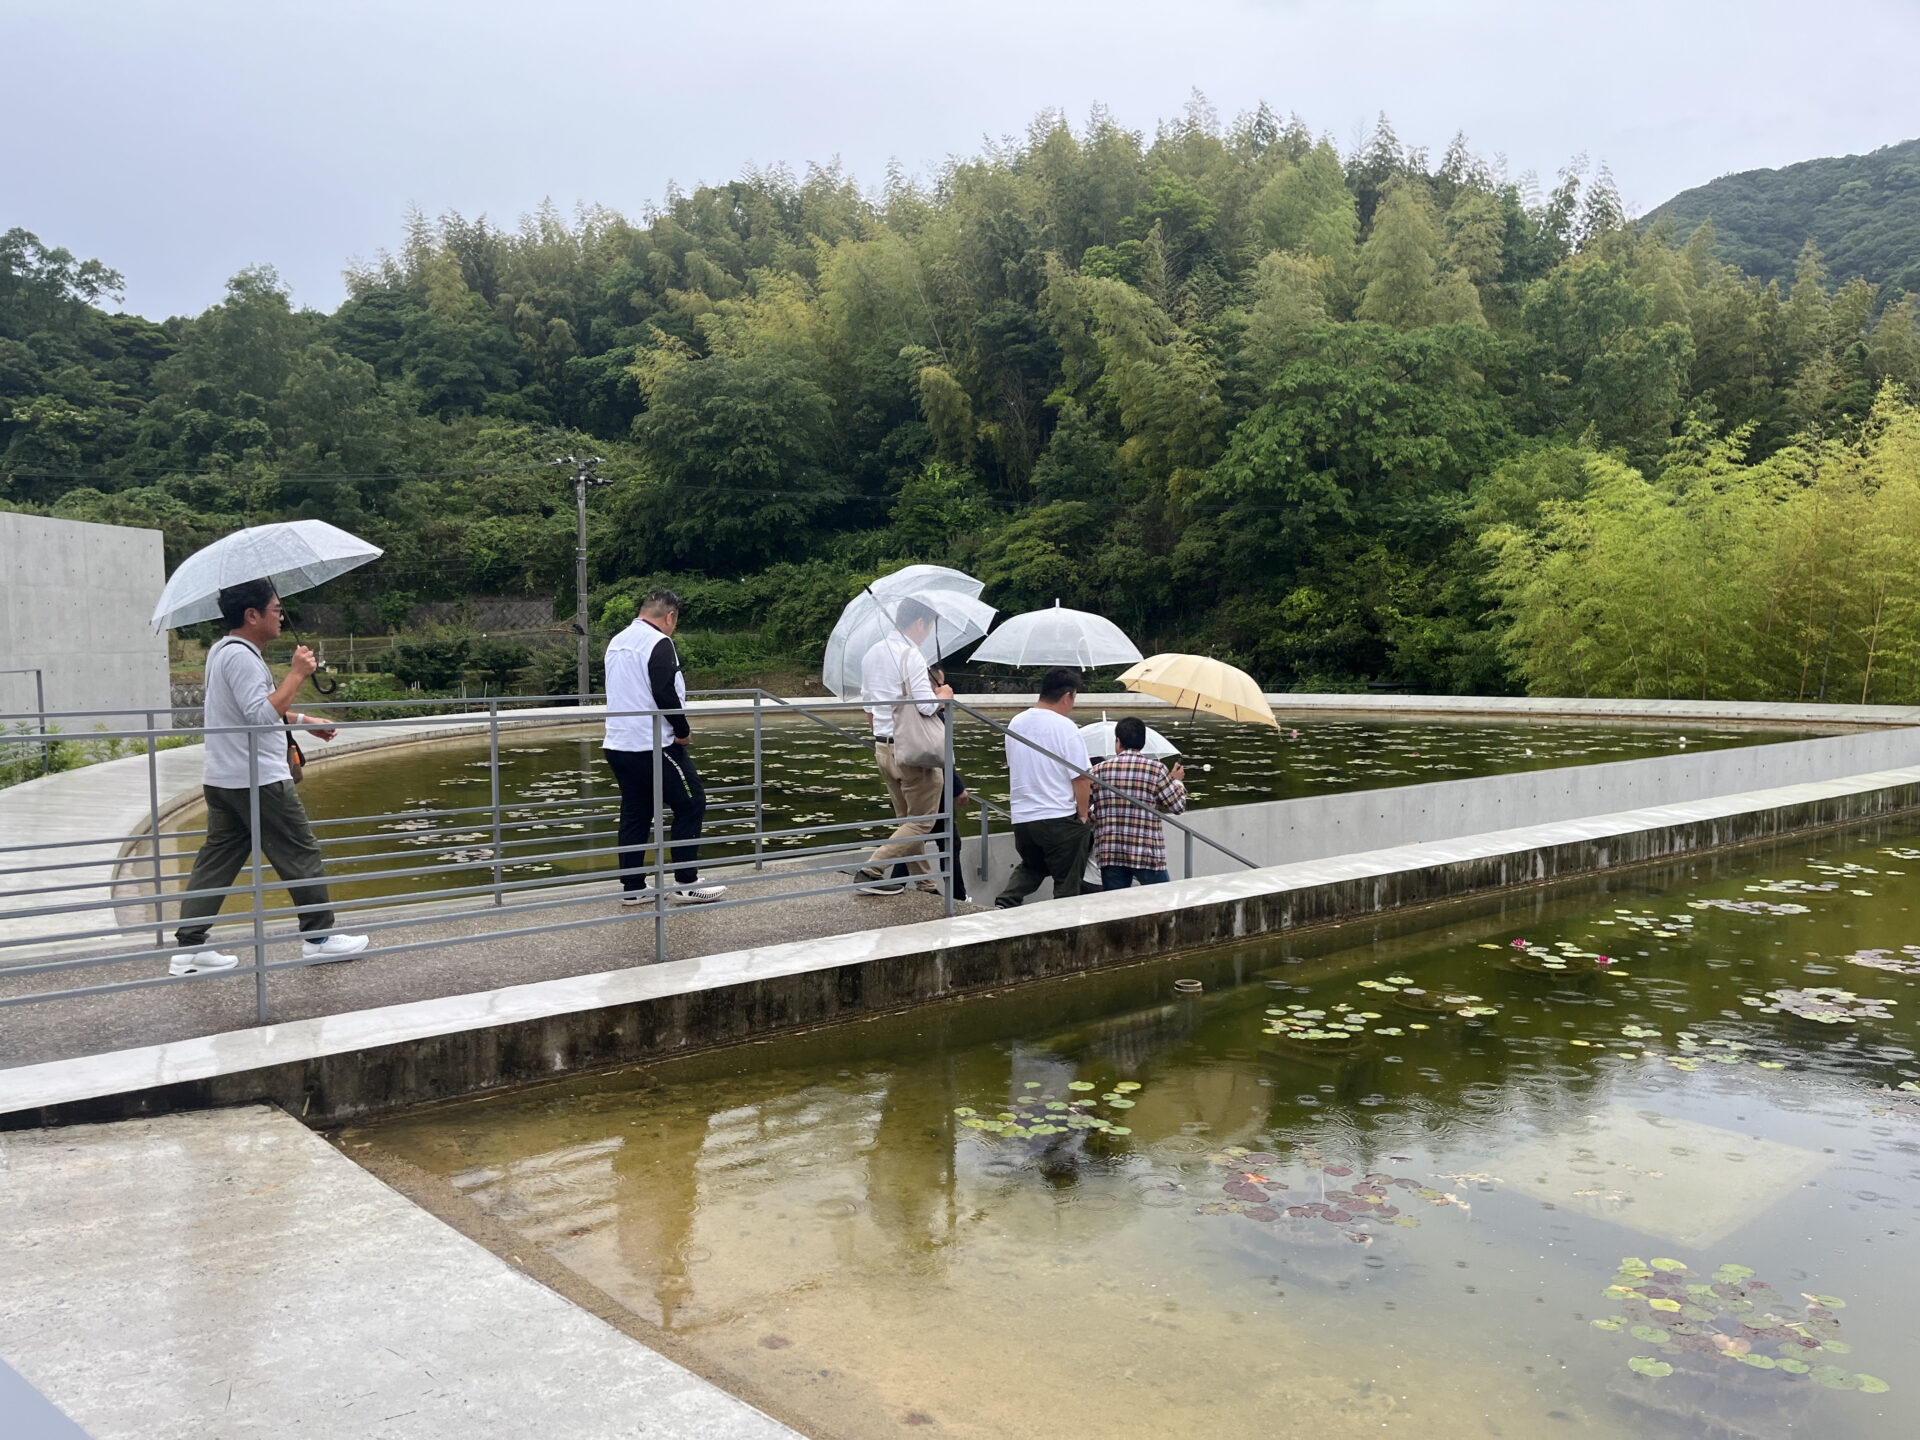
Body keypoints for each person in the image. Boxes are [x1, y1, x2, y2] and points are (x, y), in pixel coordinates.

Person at [169, 579, 369, 975]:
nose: (281, 616)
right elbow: (260, 716)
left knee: (218, 860)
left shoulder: (221, 651)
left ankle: (188, 950)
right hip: (258, 779)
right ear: (252, 615)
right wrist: (297, 674)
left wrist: (303, 720)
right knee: (300, 851)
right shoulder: (242, 658)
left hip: (225, 777)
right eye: (276, 609)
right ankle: (319, 939)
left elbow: (251, 710)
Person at [603, 588, 724, 906]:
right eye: (675, 621)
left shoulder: (617, 641)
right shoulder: (658, 642)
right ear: (670, 616)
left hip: (618, 743)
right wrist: (682, 731)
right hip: (652, 744)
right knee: (692, 802)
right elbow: (664, 691)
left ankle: (633, 888)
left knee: (636, 812)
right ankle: (686, 882)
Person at [852, 597, 954, 896]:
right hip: (913, 751)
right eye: (930, 626)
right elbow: (925, 706)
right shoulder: (911, 655)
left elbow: (869, 705)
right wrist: (944, 695)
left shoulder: (871, 654)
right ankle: (872, 869)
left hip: (883, 747)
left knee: (908, 822)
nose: (928, 633)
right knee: (922, 822)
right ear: (920, 622)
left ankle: (925, 885)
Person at [993, 667, 1092, 909]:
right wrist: (1083, 815)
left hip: (1023, 818)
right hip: (1057, 816)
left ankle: (1005, 903)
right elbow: (1081, 777)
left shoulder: (1016, 723)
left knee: (1033, 866)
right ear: (1067, 696)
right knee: (1067, 880)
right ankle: (1065, 920)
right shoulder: (1065, 727)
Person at [1090, 716, 1188, 889]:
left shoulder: (1098, 770)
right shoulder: (1156, 769)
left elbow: (1085, 806)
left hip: (1110, 851)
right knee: (1163, 899)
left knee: (1117, 903)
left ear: (1118, 742)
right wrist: (1177, 782)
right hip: (1146, 852)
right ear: (1143, 742)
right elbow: (1178, 806)